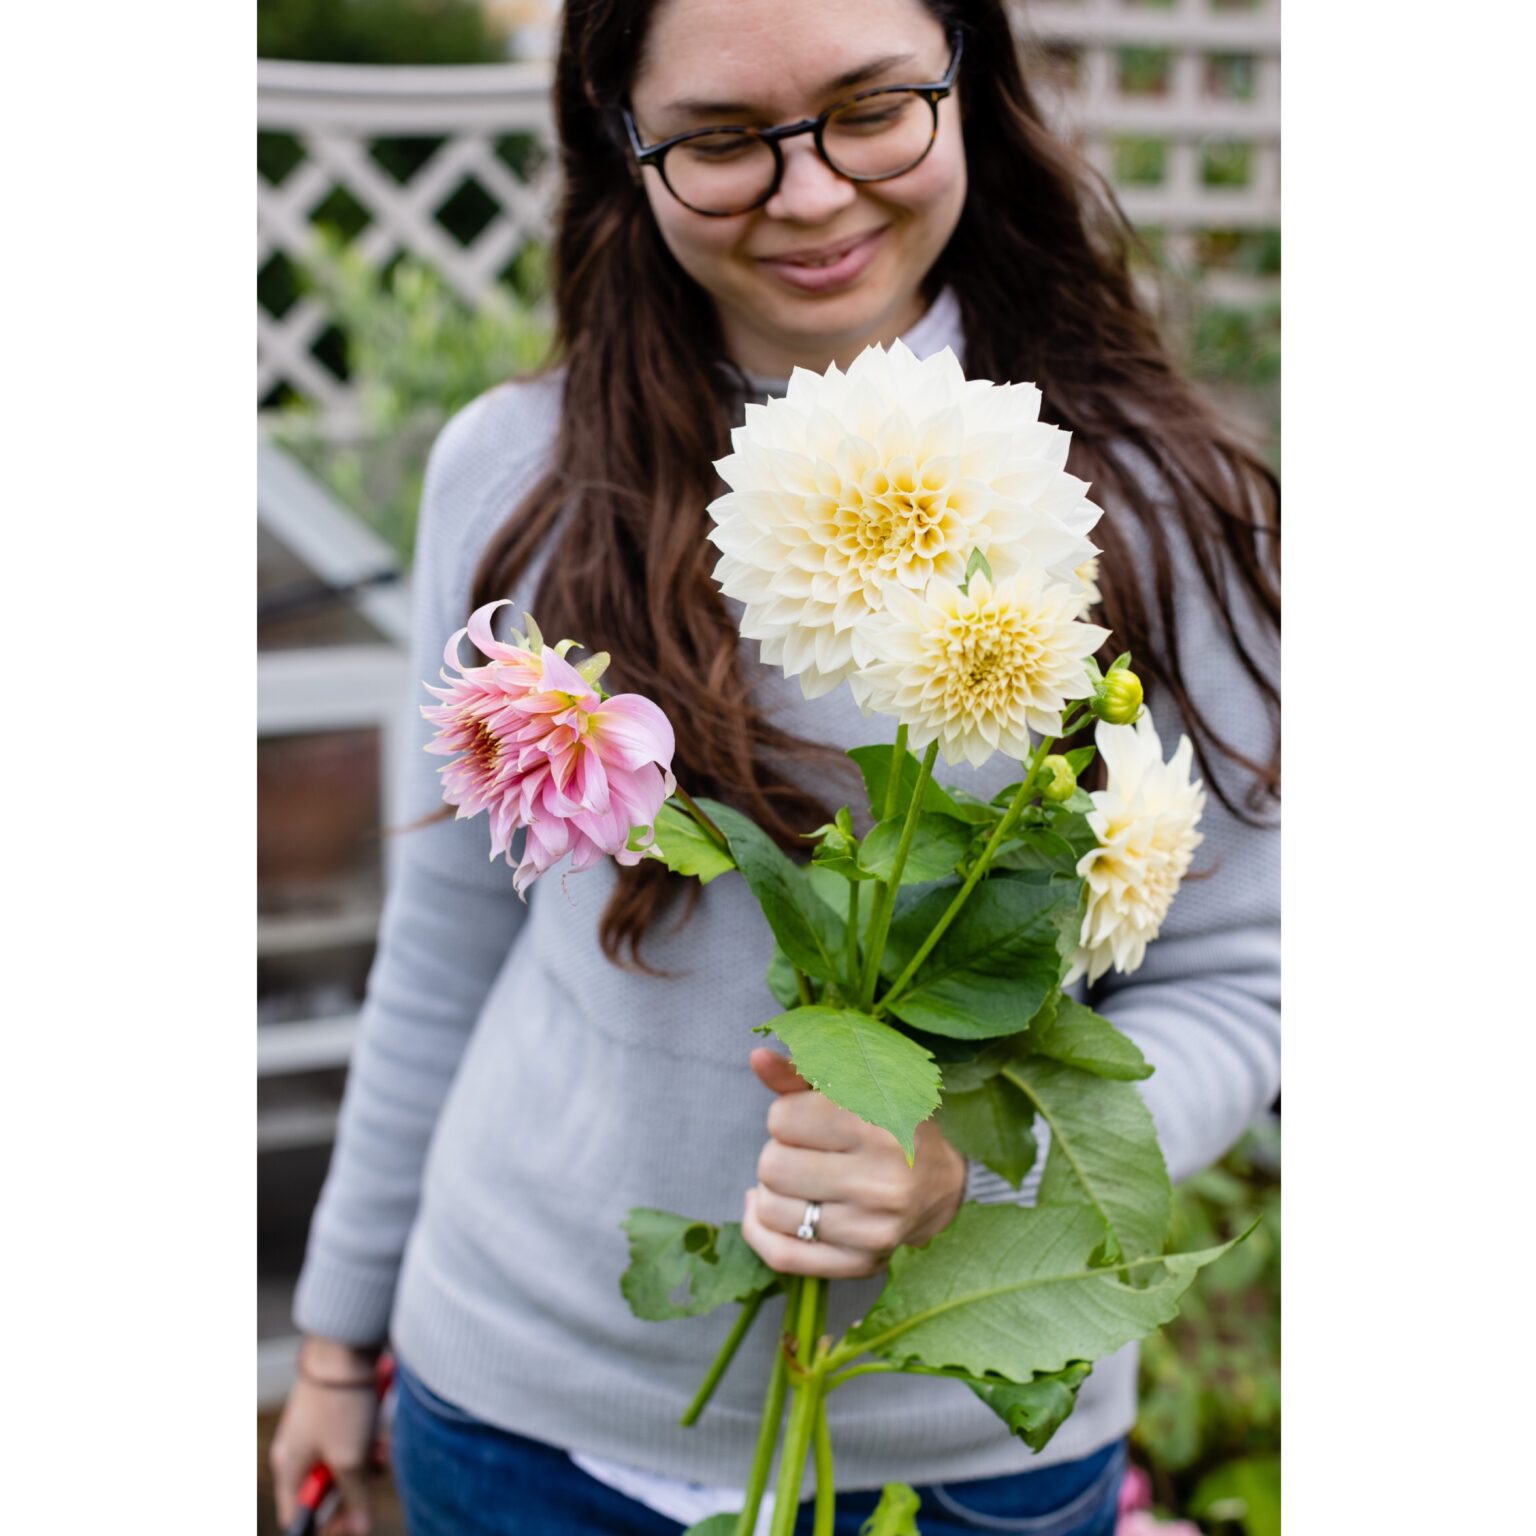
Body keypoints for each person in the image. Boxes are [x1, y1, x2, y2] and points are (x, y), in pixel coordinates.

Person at [269, 0, 1281, 1531]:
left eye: (872, 108)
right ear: (622, 141)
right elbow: (446, 945)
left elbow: (1245, 981)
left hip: (949, 1454)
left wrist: (968, 1175)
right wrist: (338, 1341)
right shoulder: (518, 471)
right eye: (723, 139)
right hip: (511, 1402)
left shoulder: (1145, 499)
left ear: (970, 82)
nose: (809, 193)